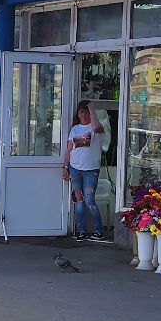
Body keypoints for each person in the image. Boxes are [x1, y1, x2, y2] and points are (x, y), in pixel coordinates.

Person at [62, 100, 108, 241]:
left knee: (89, 201)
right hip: (75, 169)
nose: (83, 114)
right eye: (81, 111)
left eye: (85, 111)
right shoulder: (75, 129)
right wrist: (66, 167)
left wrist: (92, 110)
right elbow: (69, 148)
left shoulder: (97, 127)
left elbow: (97, 128)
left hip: (90, 170)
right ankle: (82, 230)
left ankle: (98, 230)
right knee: (79, 200)